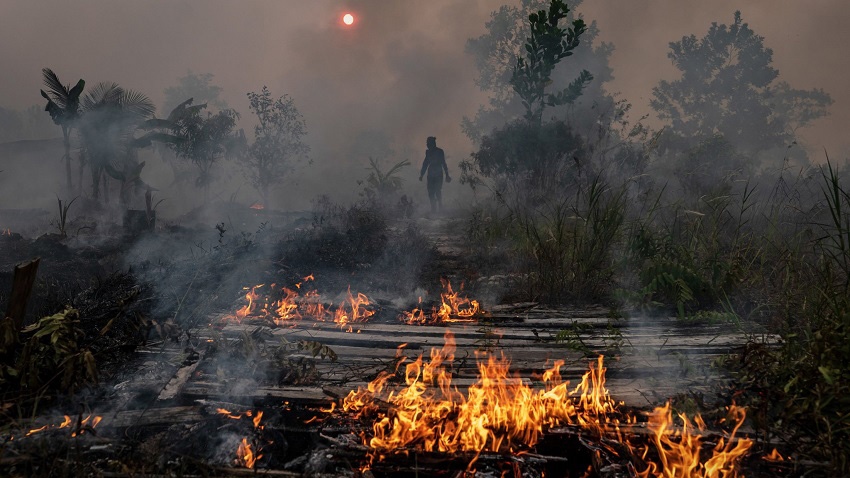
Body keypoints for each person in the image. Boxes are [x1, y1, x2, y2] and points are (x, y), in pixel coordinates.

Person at [419, 136, 451, 213]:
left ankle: (440, 206)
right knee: (430, 192)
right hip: (430, 174)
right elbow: (425, 163)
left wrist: (447, 174)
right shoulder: (428, 152)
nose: (427, 145)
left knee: (437, 191)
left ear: (433, 143)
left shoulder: (440, 151)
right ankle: (433, 208)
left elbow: (443, 163)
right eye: (427, 143)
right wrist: (421, 175)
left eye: (428, 143)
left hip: (438, 174)